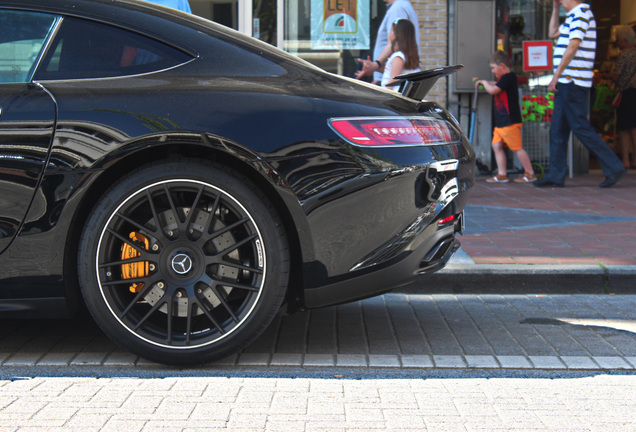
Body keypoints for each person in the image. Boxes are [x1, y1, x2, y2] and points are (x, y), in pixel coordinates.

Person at [534, 0, 625, 188]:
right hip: (569, 82)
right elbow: (552, 33)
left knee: (579, 127)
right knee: (558, 130)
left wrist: (555, 77)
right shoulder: (573, 16)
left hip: (572, 82)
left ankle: (614, 166)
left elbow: (573, 47)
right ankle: (556, 174)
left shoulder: (581, 13)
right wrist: (556, 8)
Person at [475, 52, 537, 183]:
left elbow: (493, 90)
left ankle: (530, 173)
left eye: (493, 68)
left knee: (516, 148)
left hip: (509, 121)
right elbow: (495, 84)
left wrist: (485, 83)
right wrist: (484, 82)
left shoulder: (508, 77)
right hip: (502, 123)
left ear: (501, 65)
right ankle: (502, 174)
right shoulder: (504, 79)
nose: (493, 71)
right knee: (496, 146)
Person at [355, 0, 419, 84]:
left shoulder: (398, 8)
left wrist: (376, 64)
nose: (389, 34)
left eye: (391, 31)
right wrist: (376, 68)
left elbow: (391, 85)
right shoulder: (398, 6)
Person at [611, 25, 636, 170]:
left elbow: (616, 75)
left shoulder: (624, 54)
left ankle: (626, 159)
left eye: (619, 40)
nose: (618, 43)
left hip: (626, 93)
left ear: (625, 40)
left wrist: (607, 75)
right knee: (634, 127)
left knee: (623, 127)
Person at [380, 19, 421, 91]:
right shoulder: (404, 56)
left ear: (398, 35)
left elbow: (392, 83)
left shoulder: (398, 57)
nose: (389, 34)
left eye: (392, 31)